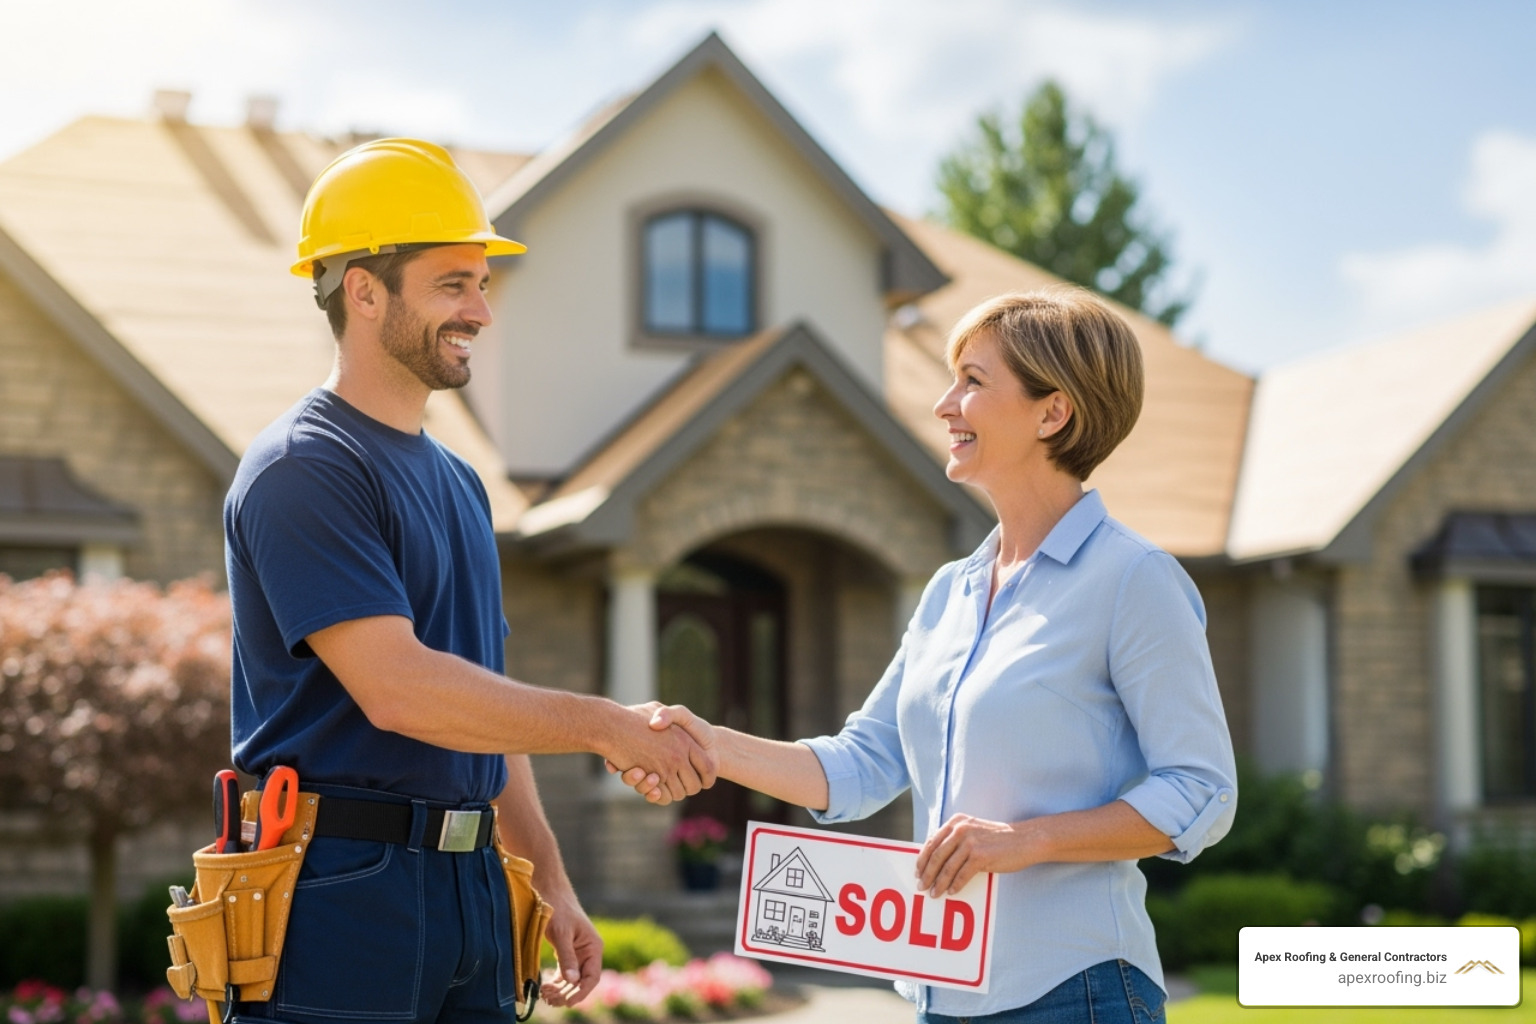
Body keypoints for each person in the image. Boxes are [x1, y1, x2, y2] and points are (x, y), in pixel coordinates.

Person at [621, 289, 1238, 1023]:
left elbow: (1200, 791)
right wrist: (708, 745)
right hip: (937, 994)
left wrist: (1025, 841)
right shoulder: (951, 591)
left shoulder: (1133, 580)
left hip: (1076, 990)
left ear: (1054, 412)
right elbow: (861, 766)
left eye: (973, 382)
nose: (945, 405)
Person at [225, 138, 714, 1024]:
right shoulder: (305, 466)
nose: (482, 311)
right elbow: (403, 692)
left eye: (483, 284)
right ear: (364, 291)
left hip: (472, 883)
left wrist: (549, 880)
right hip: (339, 888)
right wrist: (608, 728)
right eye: (454, 283)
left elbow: (479, 706)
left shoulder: (456, 481)